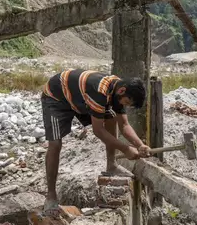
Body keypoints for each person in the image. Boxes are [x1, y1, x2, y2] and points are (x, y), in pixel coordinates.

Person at [41, 69, 151, 212]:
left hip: (78, 97)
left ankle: (111, 165)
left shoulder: (117, 91)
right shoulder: (98, 92)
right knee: (55, 143)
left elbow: (124, 125)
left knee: (110, 115)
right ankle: (51, 195)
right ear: (122, 90)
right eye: (127, 102)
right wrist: (125, 149)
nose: (125, 106)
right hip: (56, 97)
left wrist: (140, 145)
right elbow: (98, 131)